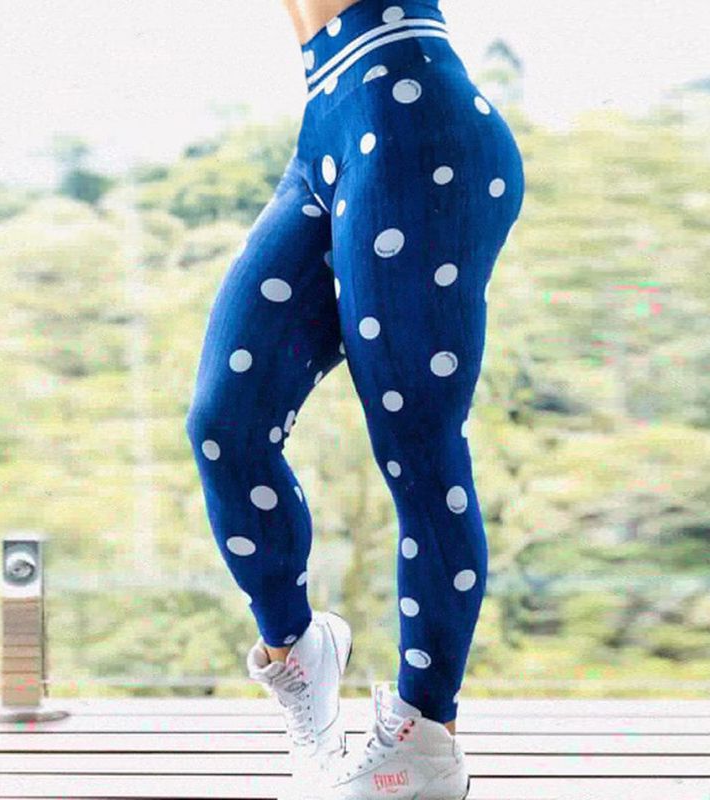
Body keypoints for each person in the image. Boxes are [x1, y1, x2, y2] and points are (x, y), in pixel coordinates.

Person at [185, 1, 525, 797]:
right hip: (329, 120)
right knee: (225, 424)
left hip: (414, 119)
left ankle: (425, 737)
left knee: (418, 446)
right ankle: (299, 653)